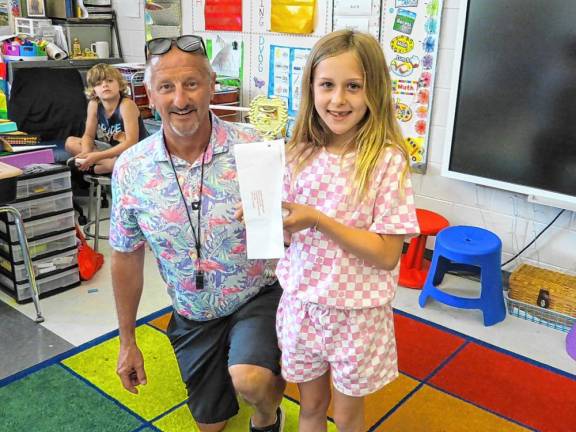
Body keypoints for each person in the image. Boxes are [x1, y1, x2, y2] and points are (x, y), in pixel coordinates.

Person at [109, 35, 285, 432]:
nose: (180, 99)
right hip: (192, 311)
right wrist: (127, 340)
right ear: (149, 96)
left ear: (211, 87)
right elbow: (125, 256)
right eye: (166, 87)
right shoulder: (132, 168)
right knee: (210, 423)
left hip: (257, 293)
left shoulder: (254, 147)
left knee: (250, 379)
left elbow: (290, 229)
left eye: (191, 84)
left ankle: (267, 416)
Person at [276, 30, 420, 432]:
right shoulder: (298, 152)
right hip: (302, 305)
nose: (338, 100)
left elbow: (387, 253)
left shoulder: (386, 161)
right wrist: (261, 218)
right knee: (309, 408)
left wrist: (317, 219)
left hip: (357, 315)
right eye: (327, 85)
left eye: (353, 86)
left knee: (347, 415)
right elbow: (285, 237)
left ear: (374, 90)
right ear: (311, 88)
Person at [65, 63, 148, 175]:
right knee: (70, 142)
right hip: (112, 150)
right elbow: (88, 135)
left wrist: (97, 156)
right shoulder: (94, 104)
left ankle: (97, 168)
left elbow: (131, 143)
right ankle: (108, 165)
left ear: (120, 84)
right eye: (98, 84)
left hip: (134, 152)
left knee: (118, 162)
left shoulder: (127, 105)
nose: (105, 85)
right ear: (93, 90)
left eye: (109, 81)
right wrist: (86, 152)